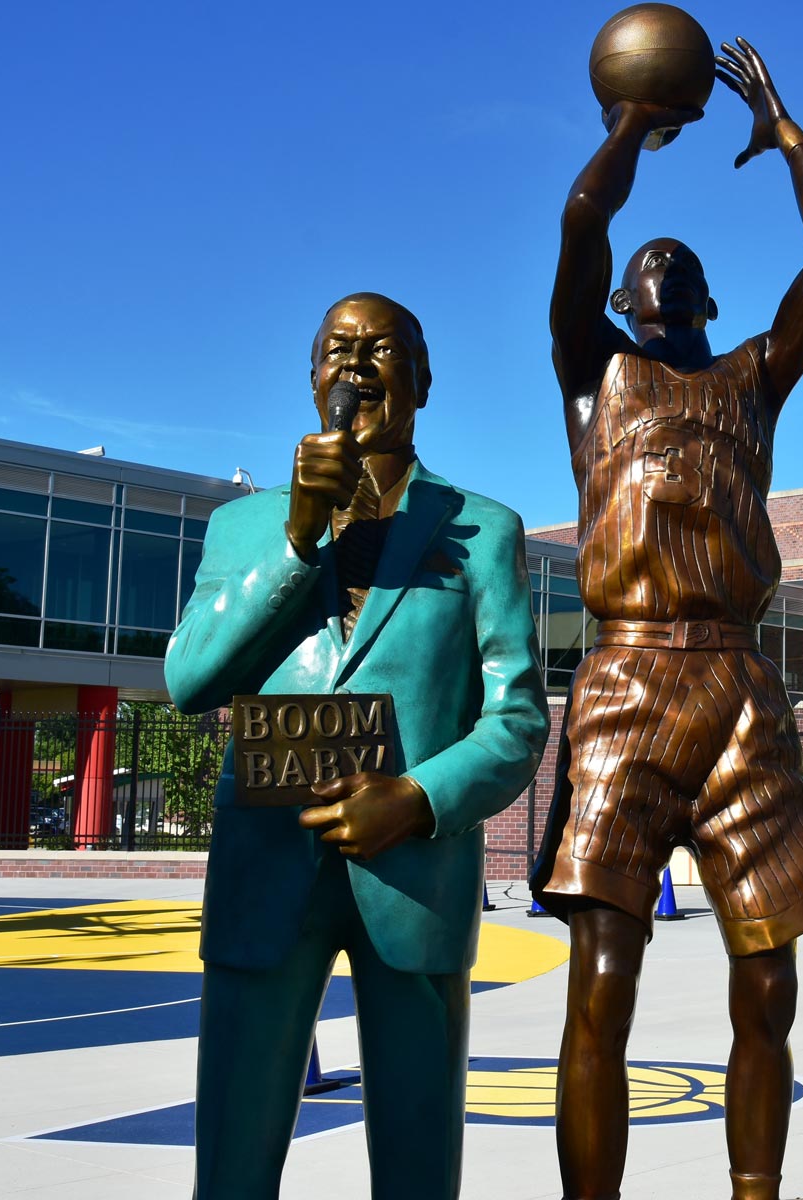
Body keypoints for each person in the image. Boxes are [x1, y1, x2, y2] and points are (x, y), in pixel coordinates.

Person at [530, 35, 803, 1200]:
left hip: (735, 685)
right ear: (621, 300)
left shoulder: (750, 384)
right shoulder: (595, 375)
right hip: (623, 684)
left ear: (711, 302)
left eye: (682, 264)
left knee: (768, 979)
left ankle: (754, 1191)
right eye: (645, 264)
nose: (660, 267)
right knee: (601, 982)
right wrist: (635, 123)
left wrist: (785, 136)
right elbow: (581, 221)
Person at [165, 292, 546, 1199]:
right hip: (267, 867)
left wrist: (415, 799)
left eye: (383, 349)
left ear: (423, 380)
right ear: (311, 379)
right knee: (232, 1155)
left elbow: (517, 718)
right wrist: (297, 535)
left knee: (418, 1161)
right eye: (338, 349)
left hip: (412, 877)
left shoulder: (484, 530)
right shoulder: (244, 528)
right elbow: (189, 681)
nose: (358, 365)